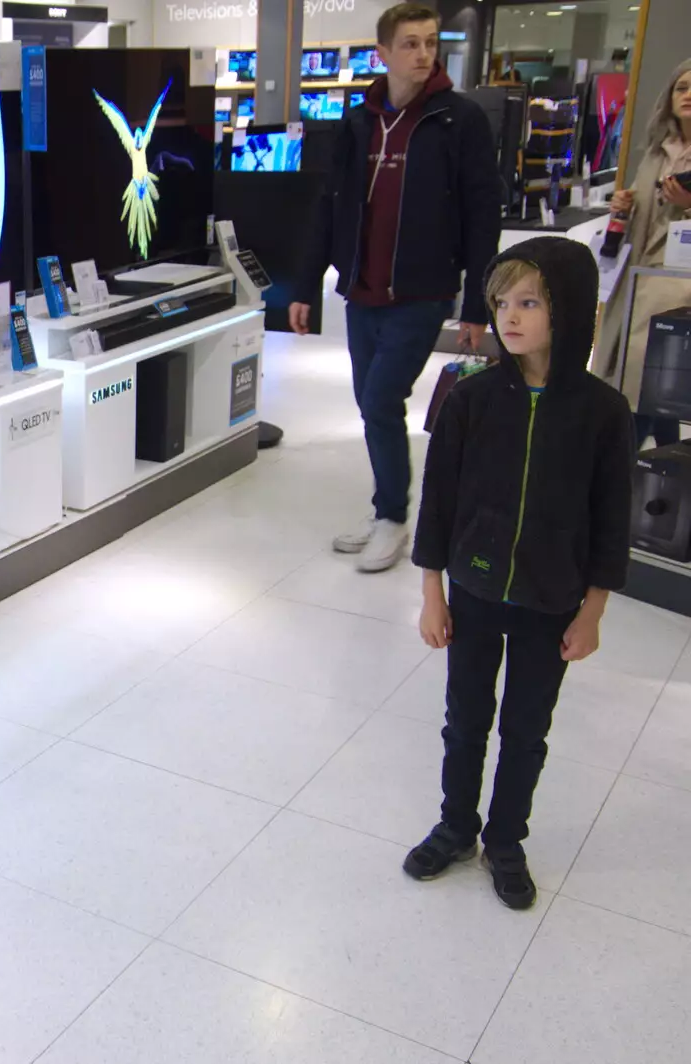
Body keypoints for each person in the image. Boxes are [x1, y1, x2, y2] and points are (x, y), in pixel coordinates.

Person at [406, 237, 634, 910]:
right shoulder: (470, 399)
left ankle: (506, 838)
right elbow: (439, 504)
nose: (510, 316)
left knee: (526, 728)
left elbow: (610, 518)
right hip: (473, 593)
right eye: (502, 301)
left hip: (552, 600)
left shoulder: (601, 413)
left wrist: (592, 609)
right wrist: (431, 594)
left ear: (567, 311)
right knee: (464, 719)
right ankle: (456, 826)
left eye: (529, 302)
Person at [291, 3, 502, 573]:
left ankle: (393, 518)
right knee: (370, 404)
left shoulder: (459, 121)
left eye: (430, 43)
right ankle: (386, 506)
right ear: (383, 53)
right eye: (409, 44)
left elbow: (484, 215)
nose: (422, 54)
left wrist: (479, 306)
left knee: (383, 400)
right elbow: (328, 208)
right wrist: (305, 284)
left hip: (422, 293)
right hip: (361, 292)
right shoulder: (359, 121)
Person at [597, 58, 691, 449]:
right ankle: (659, 489)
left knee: (647, 396)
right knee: (649, 396)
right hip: (638, 283)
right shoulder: (656, 152)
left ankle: (616, 488)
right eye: (681, 87)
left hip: (679, 294)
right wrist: (624, 206)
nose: (688, 95)